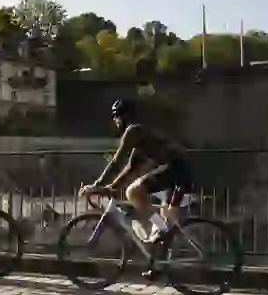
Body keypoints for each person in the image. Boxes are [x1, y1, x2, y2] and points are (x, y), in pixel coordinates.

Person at [79, 99, 194, 243]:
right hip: (180, 169)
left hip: (175, 168)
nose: (115, 122)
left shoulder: (132, 131)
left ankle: (160, 228)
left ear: (122, 117)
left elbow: (116, 162)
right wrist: (111, 188)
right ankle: (163, 254)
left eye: (116, 117)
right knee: (167, 222)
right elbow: (130, 168)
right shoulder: (141, 134)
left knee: (133, 192)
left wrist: (97, 184)